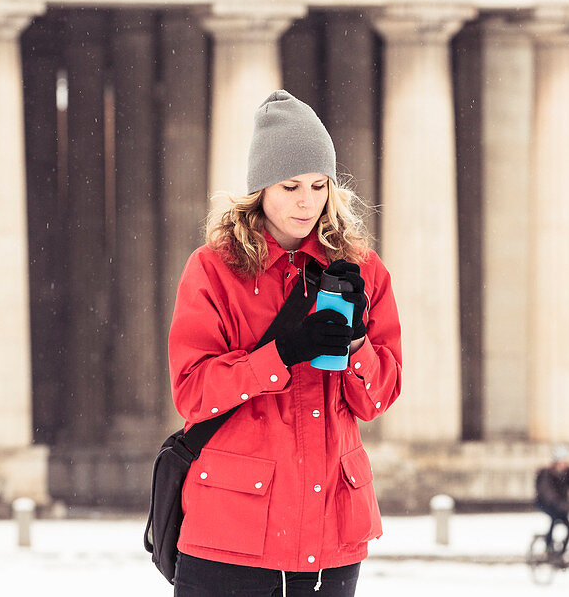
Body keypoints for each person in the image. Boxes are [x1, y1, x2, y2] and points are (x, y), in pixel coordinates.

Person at [167, 90, 402, 597]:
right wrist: (282, 354)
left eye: (319, 185)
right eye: (290, 185)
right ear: (259, 189)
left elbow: (377, 398)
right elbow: (192, 392)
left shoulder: (363, 270)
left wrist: (357, 341)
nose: (307, 201)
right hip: (231, 539)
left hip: (331, 540)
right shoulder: (213, 270)